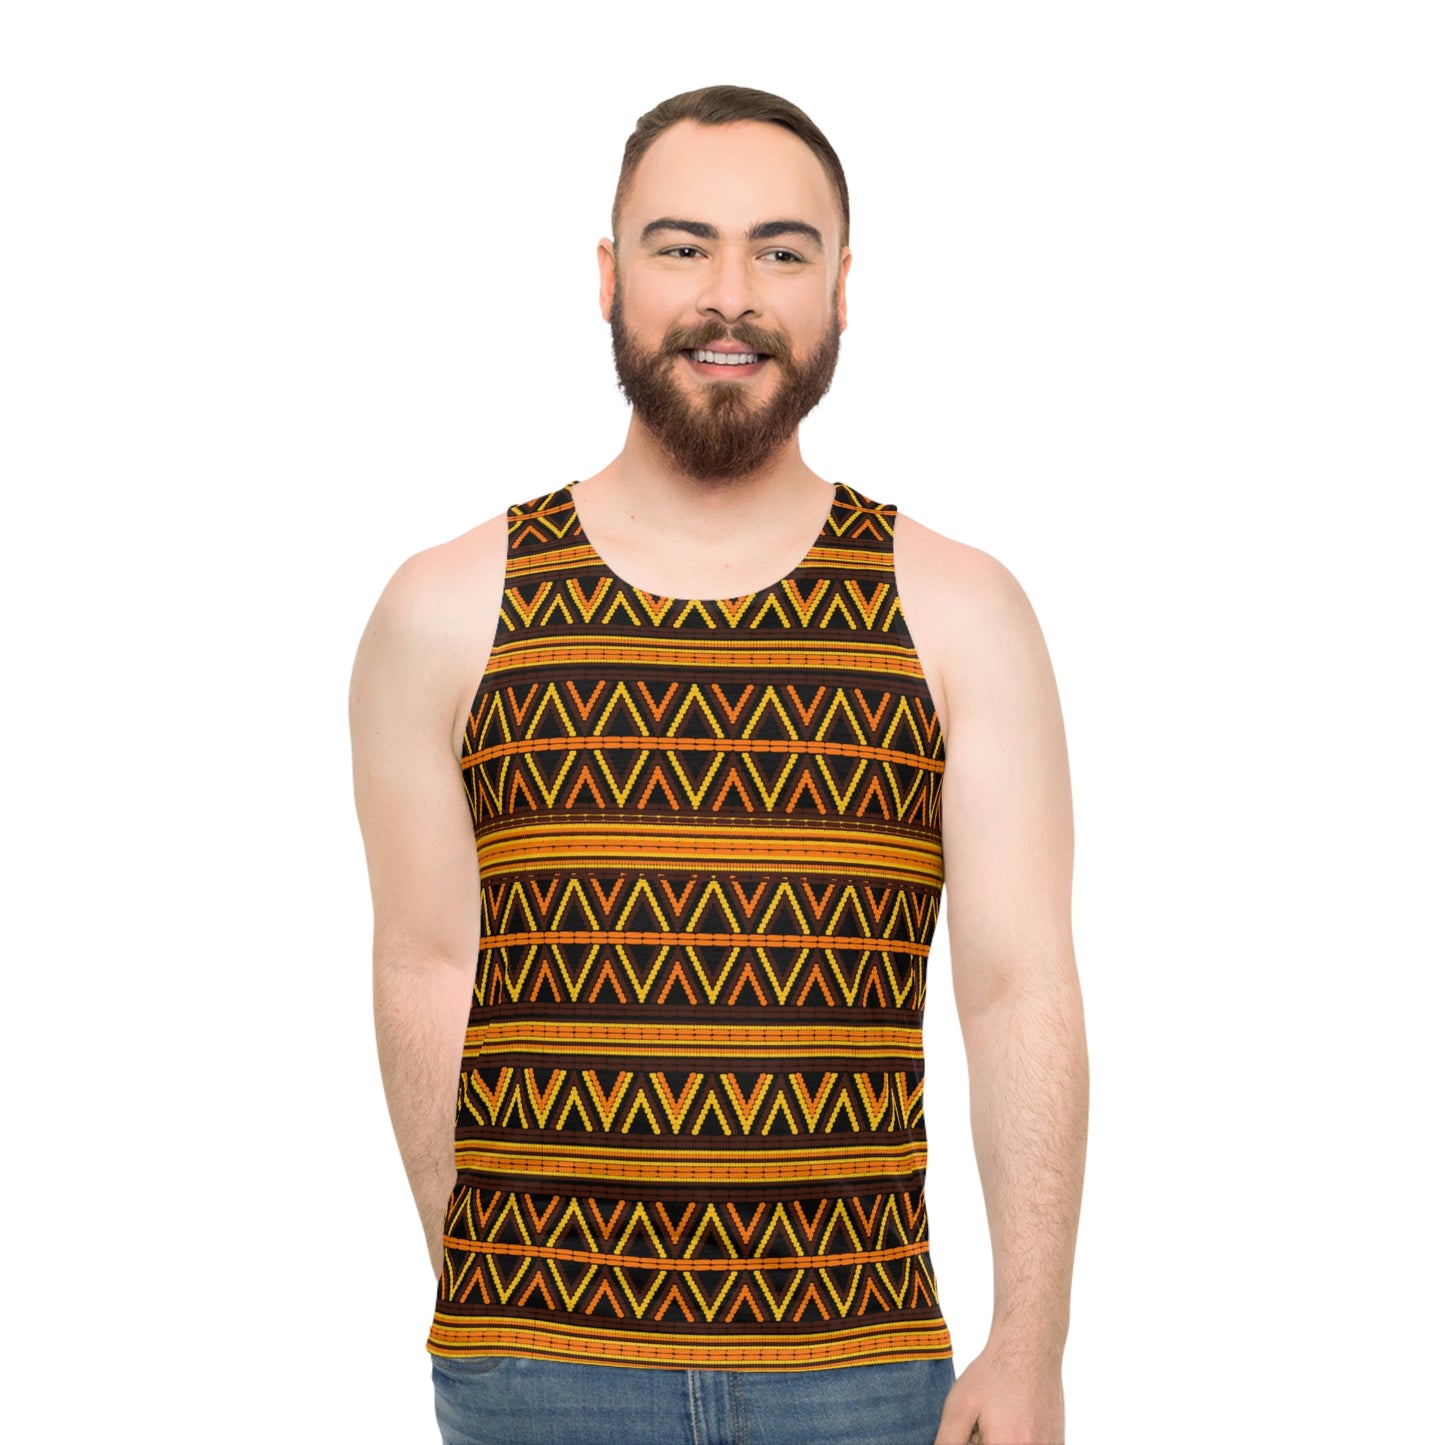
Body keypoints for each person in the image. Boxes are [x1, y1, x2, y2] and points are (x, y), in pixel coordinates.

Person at [349, 84, 1087, 1445]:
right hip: (534, 1374)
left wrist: (1029, 1345)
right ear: (608, 275)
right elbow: (426, 965)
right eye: (682, 245)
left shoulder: (957, 612)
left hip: (862, 1373)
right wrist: (495, 1297)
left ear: (842, 287)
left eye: (780, 250)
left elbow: (1014, 987)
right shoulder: (448, 609)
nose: (730, 295)